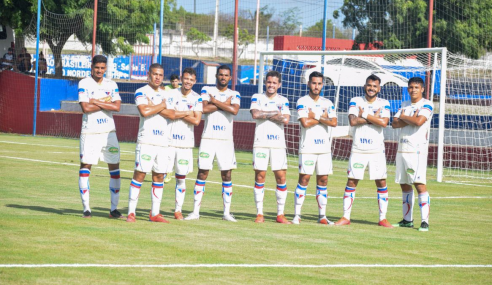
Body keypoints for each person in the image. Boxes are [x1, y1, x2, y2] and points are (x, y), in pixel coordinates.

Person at [125, 63, 187, 223]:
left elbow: (173, 114)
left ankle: (155, 213)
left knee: (159, 176)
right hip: (146, 140)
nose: (158, 77)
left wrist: (153, 106)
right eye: (155, 74)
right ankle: (131, 212)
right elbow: (144, 112)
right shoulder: (141, 91)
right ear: (149, 74)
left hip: (163, 142)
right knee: (140, 174)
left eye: (160, 75)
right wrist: (161, 106)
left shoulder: (169, 94)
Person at [334, 75, 393, 228]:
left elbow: (384, 123)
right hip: (358, 149)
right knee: (352, 180)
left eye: (374, 86)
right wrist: (374, 118)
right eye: (369, 85)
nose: (371, 88)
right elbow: (353, 121)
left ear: (379, 88)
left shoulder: (384, 103)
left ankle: (383, 218)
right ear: (365, 86)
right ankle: (346, 217)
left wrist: (365, 115)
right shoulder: (355, 100)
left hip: (376, 150)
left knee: (381, 181)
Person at [185, 65, 240, 222]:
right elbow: (203, 108)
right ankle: (195, 212)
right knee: (202, 172)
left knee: (227, 174)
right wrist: (224, 104)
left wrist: (214, 102)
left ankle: (226, 213)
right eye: (221, 75)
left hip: (226, 140)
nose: (223, 77)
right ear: (216, 76)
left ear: (230, 78)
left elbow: (234, 110)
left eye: (226, 75)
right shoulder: (206, 89)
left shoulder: (234, 94)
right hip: (208, 138)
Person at [78, 55, 122, 219]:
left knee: (115, 168)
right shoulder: (84, 83)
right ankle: (86, 209)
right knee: (85, 166)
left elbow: (117, 107)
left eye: (103, 68)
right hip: (89, 132)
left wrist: (96, 101)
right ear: (92, 67)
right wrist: (105, 102)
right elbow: (85, 108)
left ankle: (113, 209)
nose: (100, 71)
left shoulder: (112, 84)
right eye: (97, 67)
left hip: (109, 132)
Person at [293, 71, 337, 225]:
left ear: (322, 85)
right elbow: (305, 123)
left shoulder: (328, 102)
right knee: (304, 179)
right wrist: (323, 118)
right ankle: (297, 215)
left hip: (324, 148)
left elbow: (333, 123)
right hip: (308, 147)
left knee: (323, 180)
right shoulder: (302, 101)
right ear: (308, 84)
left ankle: (322, 216)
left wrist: (315, 116)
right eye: (313, 83)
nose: (316, 86)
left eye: (319, 83)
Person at [249, 70, 292, 224]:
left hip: (278, 145)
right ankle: (259, 213)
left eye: (274, 83)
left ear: (279, 84)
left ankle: (280, 214)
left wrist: (265, 113)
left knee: (281, 177)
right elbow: (255, 114)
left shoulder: (284, 100)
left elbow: (285, 119)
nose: (271, 85)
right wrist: (274, 113)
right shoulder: (257, 97)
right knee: (260, 176)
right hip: (261, 143)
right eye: (269, 82)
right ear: (265, 83)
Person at [391, 77, 433, 232]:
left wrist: (403, 117)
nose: (413, 90)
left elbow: (419, 121)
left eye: (416, 87)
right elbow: (394, 124)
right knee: (404, 184)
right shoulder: (404, 105)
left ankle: (424, 221)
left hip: (417, 150)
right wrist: (409, 118)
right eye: (411, 87)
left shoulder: (427, 104)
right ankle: (407, 220)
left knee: (419, 184)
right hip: (402, 149)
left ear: (422, 89)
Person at [166, 67, 203, 220]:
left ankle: (178, 210)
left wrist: (179, 113)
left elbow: (196, 120)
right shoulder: (170, 94)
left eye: (191, 80)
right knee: (160, 176)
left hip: (185, 144)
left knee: (181, 178)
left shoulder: (197, 98)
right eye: (186, 79)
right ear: (181, 79)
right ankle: (155, 209)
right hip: (168, 142)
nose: (188, 82)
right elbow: (169, 114)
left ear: (195, 81)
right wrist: (187, 112)